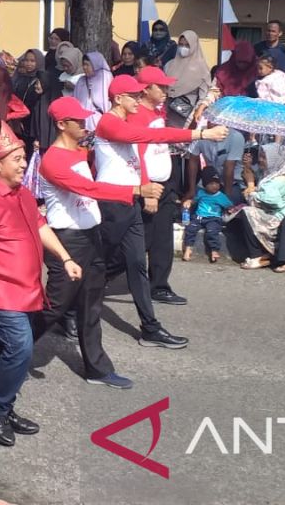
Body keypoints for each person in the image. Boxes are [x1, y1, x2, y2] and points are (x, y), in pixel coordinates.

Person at [0, 122, 80, 446]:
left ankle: (3, 406)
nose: (24, 164)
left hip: (23, 289)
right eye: (17, 159)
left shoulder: (22, 192)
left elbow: (40, 226)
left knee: (9, 347)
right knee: (21, 346)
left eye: (24, 158)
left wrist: (65, 258)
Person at [35, 97, 160, 390]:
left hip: (91, 237)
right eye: (78, 121)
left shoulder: (80, 153)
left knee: (91, 306)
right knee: (54, 308)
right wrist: (136, 189)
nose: (84, 124)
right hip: (67, 242)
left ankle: (97, 369)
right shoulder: (52, 159)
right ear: (61, 125)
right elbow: (88, 188)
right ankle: (13, 345)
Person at [93, 75, 219, 349]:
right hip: (111, 204)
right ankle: (61, 310)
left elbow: (141, 153)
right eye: (134, 96)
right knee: (98, 264)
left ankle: (150, 328)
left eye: (141, 95)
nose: (140, 100)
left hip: (130, 202)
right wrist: (199, 134)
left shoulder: (128, 119)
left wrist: (145, 184)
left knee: (137, 264)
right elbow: (151, 136)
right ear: (118, 99)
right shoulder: (108, 122)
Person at [133, 66, 190, 305]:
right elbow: (138, 154)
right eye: (161, 86)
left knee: (163, 238)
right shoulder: (137, 116)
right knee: (141, 239)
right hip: (149, 186)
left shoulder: (158, 112)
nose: (166, 90)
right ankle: (99, 276)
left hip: (165, 183)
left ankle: (159, 285)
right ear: (146, 90)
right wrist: (147, 190)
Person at [236, 144, 285, 272]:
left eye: (264, 157)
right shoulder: (274, 174)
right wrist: (248, 167)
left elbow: (271, 200)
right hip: (273, 214)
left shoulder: (277, 181)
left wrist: (251, 191)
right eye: (260, 156)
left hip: (275, 219)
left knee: (246, 212)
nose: (260, 159)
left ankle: (257, 254)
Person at [182, 168, 232, 263]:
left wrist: (230, 209)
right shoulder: (201, 193)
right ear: (205, 185)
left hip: (213, 218)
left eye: (216, 183)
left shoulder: (221, 196)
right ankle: (188, 249)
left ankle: (214, 250)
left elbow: (229, 205)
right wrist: (189, 201)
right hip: (199, 217)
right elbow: (194, 200)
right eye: (211, 184)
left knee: (212, 231)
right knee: (190, 228)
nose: (215, 186)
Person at [163, 30, 210, 129]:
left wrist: (196, 113)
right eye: (181, 44)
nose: (183, 48)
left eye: (187, 45)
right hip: (166, 112)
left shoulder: (202, 69)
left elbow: (203, 96)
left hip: (186, 115)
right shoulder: (169, 65)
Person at [74, 52, 112, 131]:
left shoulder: (105, 78)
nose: (84, 67)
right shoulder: (81, 81)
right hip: (83, 125)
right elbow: (75, 102)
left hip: (100, 123)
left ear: (95, 64)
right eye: (83, 64)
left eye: (87, 64)